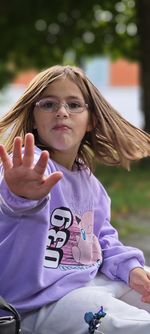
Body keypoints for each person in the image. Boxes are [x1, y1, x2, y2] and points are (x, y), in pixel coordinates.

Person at [0, 65, 150, 334]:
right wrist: (21, 195)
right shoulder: (30, 168)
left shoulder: (89, 182)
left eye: (74, 104)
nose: (61, 111)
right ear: (33, 117)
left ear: (90, 119)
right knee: (134, 326)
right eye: (48, 104)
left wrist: (131, 269)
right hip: (39, 302)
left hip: (87, 281)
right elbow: (12, 203)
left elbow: (104, 239)